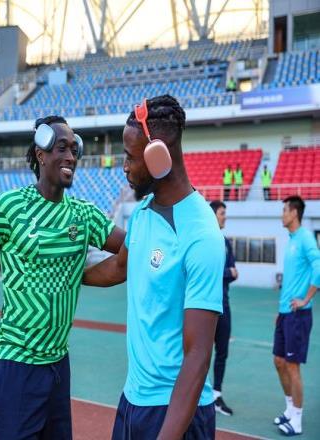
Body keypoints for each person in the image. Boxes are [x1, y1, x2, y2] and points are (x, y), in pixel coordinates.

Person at [0, 115, 124, 439]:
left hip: (59, 365)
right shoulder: (7, 208)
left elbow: (130, 249)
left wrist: (165, 218)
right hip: (17, 363)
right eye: (62, 148)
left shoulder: (84, 214)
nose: (71, 157)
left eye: (74, 150)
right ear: (41, 154)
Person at [84, 95, 225, 439]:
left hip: (176, 412)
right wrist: (68, 276)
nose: (125, 167)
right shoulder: (143, 212)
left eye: (131, 157)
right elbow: (120, 267)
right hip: (133, 401)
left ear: (157, 156)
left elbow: (198, 355)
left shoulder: (201, 234)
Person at [273, 195, 319, 436]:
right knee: (279, 362)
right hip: (285, 314)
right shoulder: (291, 240)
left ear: (294, 213)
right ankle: (290, 409)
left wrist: (306, 299)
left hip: (298, 315)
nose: (282, 215)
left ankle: (297, 420)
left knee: (292, 366)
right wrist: (280, 312)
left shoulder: (305, 238)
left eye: (284, 210)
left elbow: (319, 267)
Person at [210, 200, 238, 416]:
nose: (224, 217)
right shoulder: (205, 240)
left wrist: (225, 273)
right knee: (198, 352)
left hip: (224, 305)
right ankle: (197, 395)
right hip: (205, 307)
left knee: (222, 352)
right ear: (213, 215)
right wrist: (227, 273)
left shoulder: (226, 242)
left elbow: (233, 272)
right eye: (222, 213)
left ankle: (216, 395)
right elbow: (210, 272)